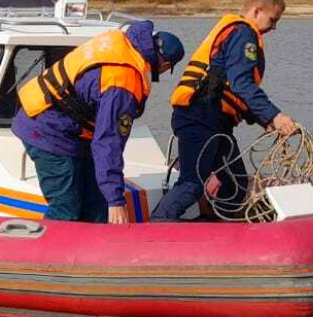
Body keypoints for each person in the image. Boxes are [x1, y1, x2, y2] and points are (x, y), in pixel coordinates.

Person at [12, 21, 186, 224]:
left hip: (71, 131)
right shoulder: (123, 82)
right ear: (165, 66)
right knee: (66, 208)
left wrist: (108, 199)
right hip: (48, 130)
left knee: (96, 205)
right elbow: (108, 141)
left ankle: (96, 245)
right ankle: (42, 251)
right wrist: (116, 202)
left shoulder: (123, 42)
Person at [151, 0, 297, 222]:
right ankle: (158, 225)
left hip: (216, 121)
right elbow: (242, 85)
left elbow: (233, 89)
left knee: (236, 186)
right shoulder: (243, 35)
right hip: (199, 117)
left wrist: (264, 120)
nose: (273, 27)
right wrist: (275, 116)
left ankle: (216, 232)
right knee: (192, 183)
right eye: (272, 20)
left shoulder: (238, 32)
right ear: (257, 11)